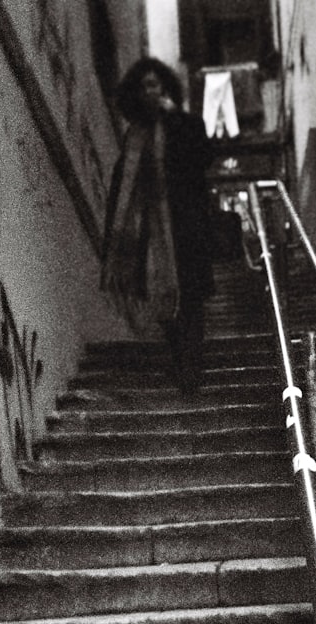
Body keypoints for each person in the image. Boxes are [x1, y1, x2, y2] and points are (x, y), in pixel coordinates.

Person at [102, 57, 215, 394]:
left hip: (185, 230)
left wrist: (175, 116)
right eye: (144, 86)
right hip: (151, 235)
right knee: (163, 301)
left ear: (166, 87)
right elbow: (121, 186)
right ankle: (180, 361)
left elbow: (203, 157)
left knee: (190, 301)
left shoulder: (186, 124)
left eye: (155, 84)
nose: (150, 91)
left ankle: (190, 368)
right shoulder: (134, 136)